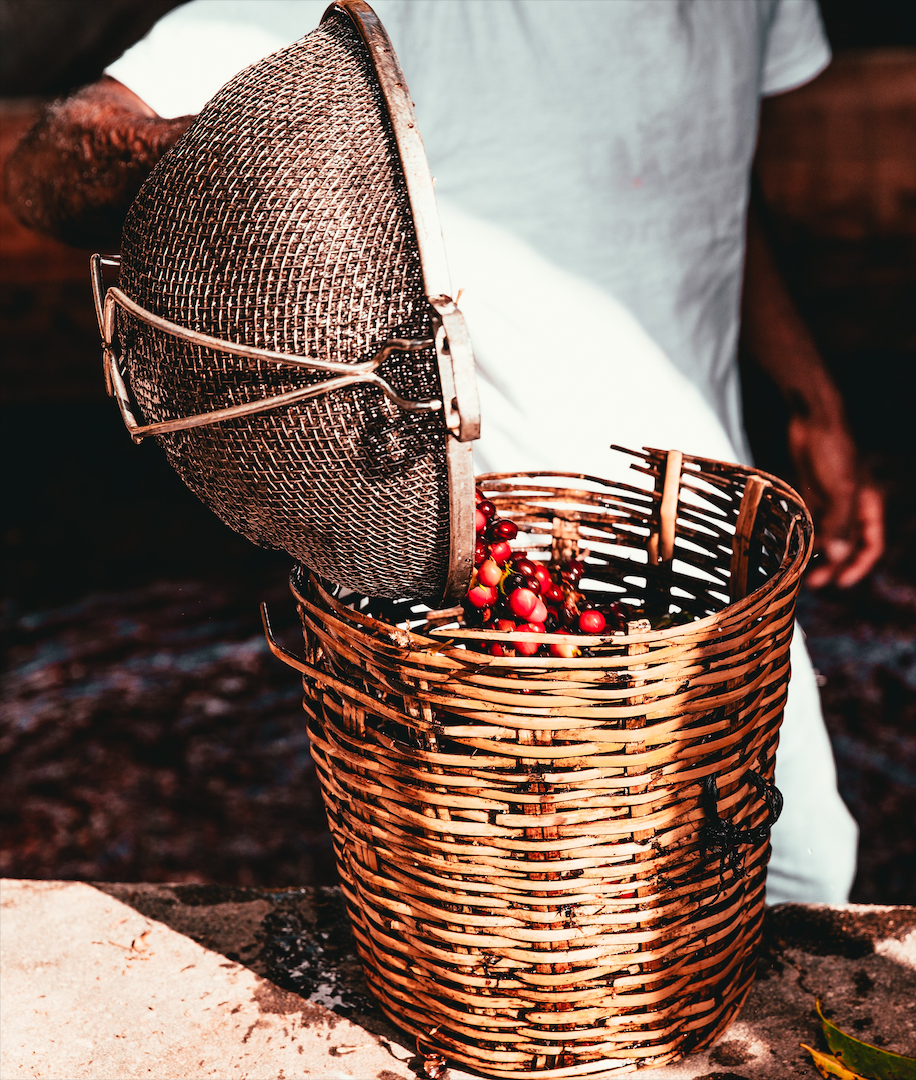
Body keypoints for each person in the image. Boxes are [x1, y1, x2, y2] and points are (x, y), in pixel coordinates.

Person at [5, 0, 882, 902]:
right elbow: (52, 165)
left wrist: (810, 398)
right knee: (562, 922)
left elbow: (712, 179)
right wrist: (254, 166)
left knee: (794, 867)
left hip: (694, 528)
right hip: (488, 567)